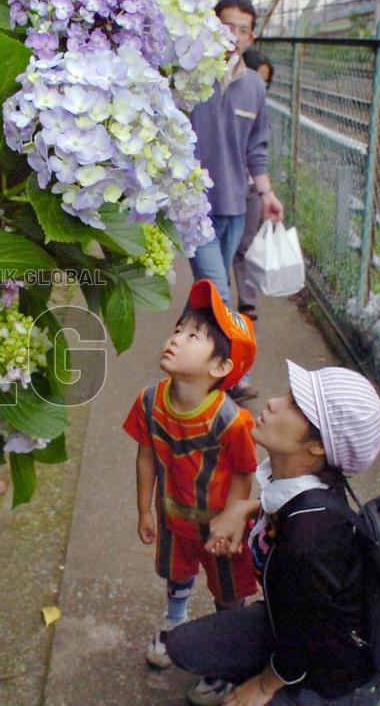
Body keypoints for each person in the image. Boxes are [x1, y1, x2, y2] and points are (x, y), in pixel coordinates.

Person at [165, 361, 380, 705]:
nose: (272, 402)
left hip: (329, 663)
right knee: (183, 647)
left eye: (296, 407)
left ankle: (350, 698)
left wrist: (266, 685)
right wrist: (244, 508)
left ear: (317, 447)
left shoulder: (309, 542)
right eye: (288, 396)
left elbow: (308, 635)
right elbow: (286, 508)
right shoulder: (305, 490)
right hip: (291, 621)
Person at [123, 279, 260, 706]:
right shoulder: (150, 401)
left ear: (220, 367)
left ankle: (227, 660)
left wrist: (235, 519)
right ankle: (175, 621)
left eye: (194, 336)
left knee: (227, 591)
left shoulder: (230, 421)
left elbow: (243, 472)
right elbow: (146, 456)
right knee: (176, 572)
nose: (176, 338)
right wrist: (145, 509)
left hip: (219, 526)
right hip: (173, 514)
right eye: (179, 329)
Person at [189, 0, 284, 311]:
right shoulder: (189, 73)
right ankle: (225, 357)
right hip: (194, 206)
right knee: (219, 293)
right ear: (213, 25)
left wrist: (267, 194)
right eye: (227, 26)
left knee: (209, 290)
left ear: (250, 38)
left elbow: (256, 148)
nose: (234, 35)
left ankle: (185, 348)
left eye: (243, 30)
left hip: (235, 206)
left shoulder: (255, 86)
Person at [232, 49, 275, 322]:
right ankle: (216, 300)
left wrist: (266, 190)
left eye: (265, 83)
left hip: (251, 188)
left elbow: (258, 151)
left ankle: (247, 303)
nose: (259, 86)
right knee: (224, 244)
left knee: (246, 244)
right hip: (225, 185)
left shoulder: (260, 109)